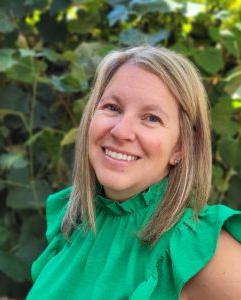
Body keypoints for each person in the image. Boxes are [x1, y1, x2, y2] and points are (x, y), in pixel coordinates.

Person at [27, 45, 241, 300]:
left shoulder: (198, 248)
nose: (120, 131)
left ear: (182, 146)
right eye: (112, 108)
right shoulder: (72, 219)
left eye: (151, 118)